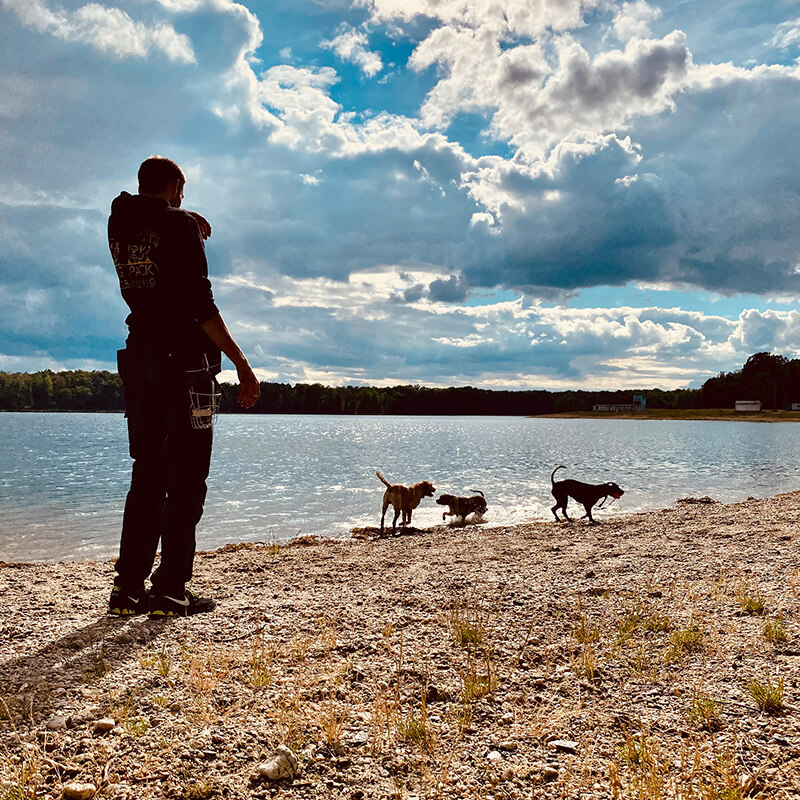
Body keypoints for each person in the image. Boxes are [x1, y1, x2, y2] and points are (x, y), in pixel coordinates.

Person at [107, 155, 260, 618]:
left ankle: (128, 590)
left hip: (140, 363)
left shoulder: (119, 222)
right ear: (174, 185)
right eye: (182, 191)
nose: (183, 199)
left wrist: (182, 216)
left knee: (148, 475)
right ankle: (172, 588)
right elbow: (201, 305)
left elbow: (136, 213)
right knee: (188, 480)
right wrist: (243, 365)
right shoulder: (179, 229)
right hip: (186, 368)